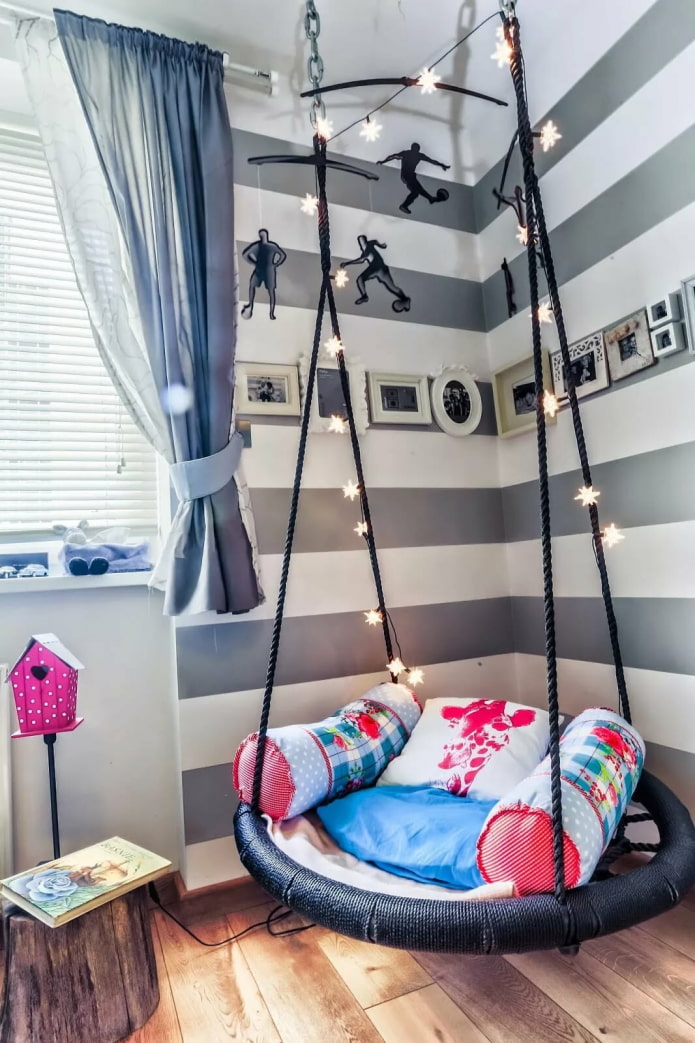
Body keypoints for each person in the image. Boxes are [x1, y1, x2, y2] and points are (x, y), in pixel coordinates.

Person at [340, 235, 411, 313]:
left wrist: (347, 263)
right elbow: (374, 242)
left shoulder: (368, 248)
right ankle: (405, 299)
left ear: (365, 242)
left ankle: (365, 296)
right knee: (391, 286)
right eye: (361, 243)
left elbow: (361, 260)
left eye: (363, 242)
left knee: (361, 279)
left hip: (377, 267)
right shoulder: (368, 247)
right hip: (381, 269)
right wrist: (380, 245)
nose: (362, 244)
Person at [377, 142, 450, 214]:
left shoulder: (418, 155)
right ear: (412, 148)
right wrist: (383, 161)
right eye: (415, 150)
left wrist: (441, 165)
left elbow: (432, 161)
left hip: (410, 176)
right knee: (416, 191)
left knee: (417, 191)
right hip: (406, 175)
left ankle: (429, 199)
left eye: (416, 150)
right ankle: (407, 204)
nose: (415, 152)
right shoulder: (407, 153)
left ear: (417, 150)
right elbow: (393, 156)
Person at [241, 229, 287, 320]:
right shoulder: (257, 246)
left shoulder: (271, 246)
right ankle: (251, 304)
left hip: (269, 270)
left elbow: (282, 255)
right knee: (253, 285)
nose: (262, 237)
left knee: (271, 291)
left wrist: (277, 263)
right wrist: (253, 262)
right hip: (261, 270)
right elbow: (245, 255)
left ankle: (271, 312)